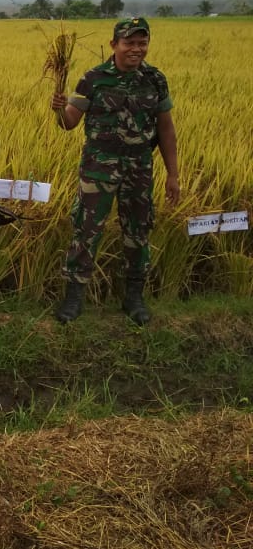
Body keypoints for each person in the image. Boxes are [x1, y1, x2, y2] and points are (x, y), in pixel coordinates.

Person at [50, 17, 179, 325]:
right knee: (86, 230)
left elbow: (166, 129)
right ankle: (74, 298)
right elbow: (69, 123)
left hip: (139, 167)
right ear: (114, 45)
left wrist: (173, 174)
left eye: (141, 42)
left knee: (138, 231)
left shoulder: (155, 80)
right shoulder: (93, 79)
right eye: (129, 42)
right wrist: (58, 108)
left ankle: (134, 298)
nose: (136, 49)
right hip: (98, 168)